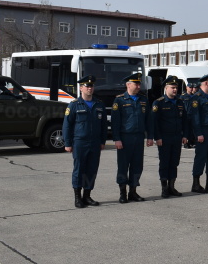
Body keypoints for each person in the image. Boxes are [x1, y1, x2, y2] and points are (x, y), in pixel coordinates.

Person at [63, 75, 108, 208]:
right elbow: (67, 125)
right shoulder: (74, 105)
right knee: (79, 169)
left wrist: (102, 141)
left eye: (91, 86)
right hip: (80, 142)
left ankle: (87, 196)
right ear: (81, 88)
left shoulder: (99, 104)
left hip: (94, 143)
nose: (89, 88)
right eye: (87, 86)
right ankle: (78, 197)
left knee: (92, 169)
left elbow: (103, 125)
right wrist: (68, 143)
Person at [111, 72, 152, 203]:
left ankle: (133, 192)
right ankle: (122, 193)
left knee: (137, 165)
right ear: (128, 85)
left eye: (139, 83)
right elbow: (115, 122)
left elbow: (148, 120)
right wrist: (116, 139)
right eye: (136, 83)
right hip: (125, 138)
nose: (139, 86)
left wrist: (150, 136)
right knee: (123, 166)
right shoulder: (120, 100)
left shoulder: (144, 100)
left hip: (139, 137)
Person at [148, 76, 188, 198]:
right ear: (166, 88)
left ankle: (172, 186)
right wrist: (157, 137)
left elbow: (185, 121)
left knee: (174, 162)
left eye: (176, 88)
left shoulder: (180, 102)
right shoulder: (158, 103)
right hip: (164, 138)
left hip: (176, 138)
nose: (175, 90)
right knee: (164, 162)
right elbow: (154, 122)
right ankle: (164, 188)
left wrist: (185, 135)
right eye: (172, 87)